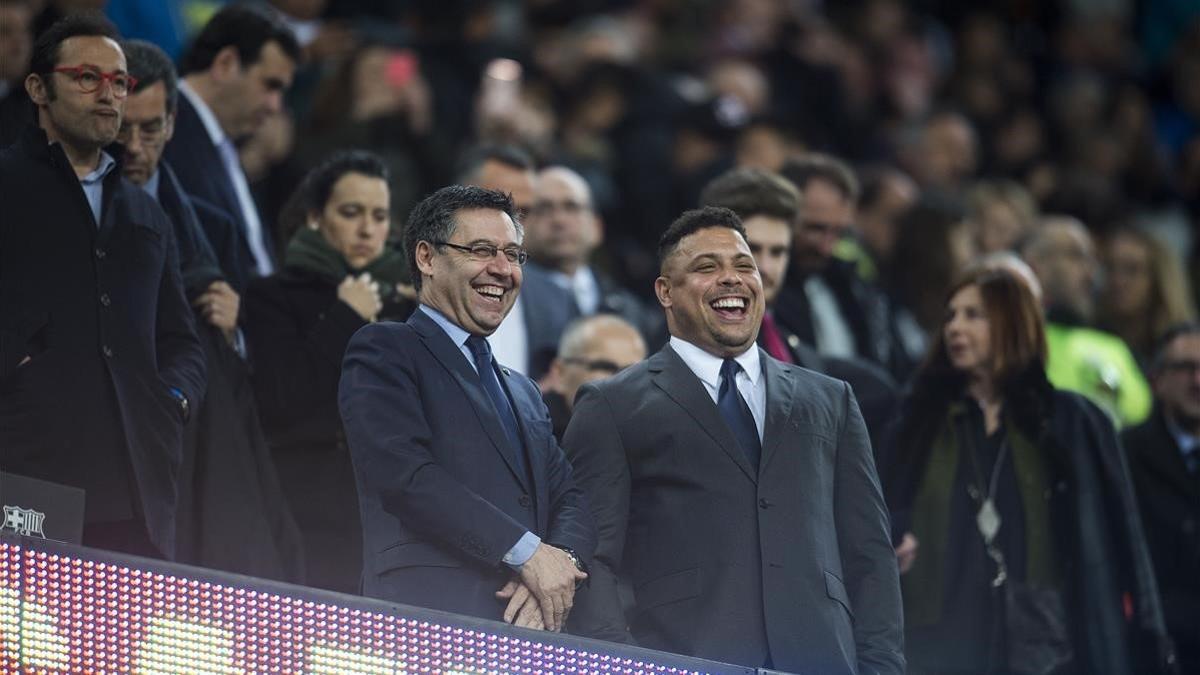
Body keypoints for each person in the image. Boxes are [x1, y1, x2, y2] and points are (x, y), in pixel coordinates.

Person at [563, 206, 903, 673]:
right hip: (683, 661)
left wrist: (881, 667)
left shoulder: (831, 399)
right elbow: (590, 560)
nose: (732, 279)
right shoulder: (612, 405)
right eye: (707, 267)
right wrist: (620, 665)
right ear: (665, 291)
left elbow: (869, 554)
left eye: (745, 267)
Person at [881, 267, 1173, 674]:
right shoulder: (919, 419)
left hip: (1049, 639)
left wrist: (1146, 637)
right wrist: (897, 534)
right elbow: (882, 509)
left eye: (973, 315)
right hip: (940, 636)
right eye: (950, 316)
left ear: (1013, 322)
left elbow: (1120, 541)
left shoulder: (1071, 420)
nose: (954, 327)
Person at [338, 185, 596, 629]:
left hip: (527, 630)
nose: (502, 270)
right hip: (425, 623)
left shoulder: (524, 391)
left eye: (514, 255)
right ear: (427, 258)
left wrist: (557, 567)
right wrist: (526, 553)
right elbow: (404, 474)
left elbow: (570, 498)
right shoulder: (386, 349)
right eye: (481, 250)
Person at [0, 14, 205, 559]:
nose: (108, 94)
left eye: (119, 82)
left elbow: (181, 340)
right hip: (27, 475)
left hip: (139, 489)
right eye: (87, 77)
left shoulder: (144, 211)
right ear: (39, 88)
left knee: (119, 640)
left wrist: (175, 400)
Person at [118, 38, 302, 581]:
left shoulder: (211, 228)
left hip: (208, 448)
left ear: (172, 124)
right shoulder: (76, 213)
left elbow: (250, 361)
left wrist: (237, 325)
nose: (133, 145)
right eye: (122, 127)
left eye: (149, 129)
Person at [243, 151, 413, 594]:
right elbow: (284, 401)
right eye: (350, 212)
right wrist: (345, 317)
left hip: (392, 525)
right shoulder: (271, 297)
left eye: (378, 216)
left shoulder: (412, 307)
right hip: (302, 516)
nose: (366, 229)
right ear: (316, 217)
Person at [699, 166, 900, 451]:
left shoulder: (785, 337)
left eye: (778, 252)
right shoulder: (690, 336)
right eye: (752, 250)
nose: (766, 269)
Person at [163, 3, 299, 291]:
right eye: (270, 85)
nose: (275, 106)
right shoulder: (166, 132)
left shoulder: (222, 145)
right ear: (225, 64)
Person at [774, 153, 906, 376]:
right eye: (816, 229)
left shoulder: (853, 285)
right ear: (779, 217)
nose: (827, 247)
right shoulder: (763, 293)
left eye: (838, 233)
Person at [458, 145, 578, 379]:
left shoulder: (558, 299)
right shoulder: (419, 288)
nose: (513, 223)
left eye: (527, 210)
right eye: (500, 207)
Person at [1023, 216, 1152, 426]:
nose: (1091, 273)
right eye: (1076, 256)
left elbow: (1140, 417)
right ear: (1035, 264)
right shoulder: (1014, 341)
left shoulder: (1114, 346)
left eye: (1093, 260)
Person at [1123, 323, 1200, 673]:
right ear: (1157, 380)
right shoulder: (1126, 455)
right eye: (1185, 369)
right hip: (1153, 649)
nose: (1197, 381)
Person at [524, 165, 664, 346]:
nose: (559, 220)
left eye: (571, 207)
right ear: (523, 225)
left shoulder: (629, 309)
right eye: (544, 208)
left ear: (597, 227)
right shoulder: (509, 302)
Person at [1099, 227, 1197, 370]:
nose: (1117, 281)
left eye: (1132, 270)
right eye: (1110, 268)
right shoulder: (1092, 337)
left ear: (1159, 279)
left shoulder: (1187, 348)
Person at [542, 314, 647, 442]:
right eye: (605, 367)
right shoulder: (530, 434)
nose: (621, 381)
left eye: (632, 372)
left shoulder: (654, 435)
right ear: (560, 373)